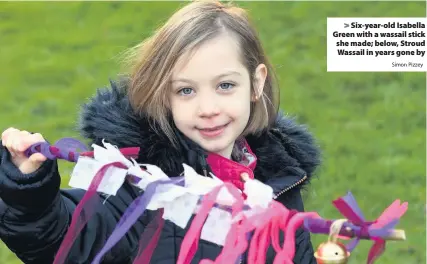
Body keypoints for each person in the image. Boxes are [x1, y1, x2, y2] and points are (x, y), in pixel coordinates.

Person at [0, 1, 321, 263]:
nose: (207, 108)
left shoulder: (278, 177)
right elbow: (61, 239)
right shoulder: (142, 185)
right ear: (163, 95)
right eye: (186, 91)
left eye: (225, 85)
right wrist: (28, 188)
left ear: (256, 82)